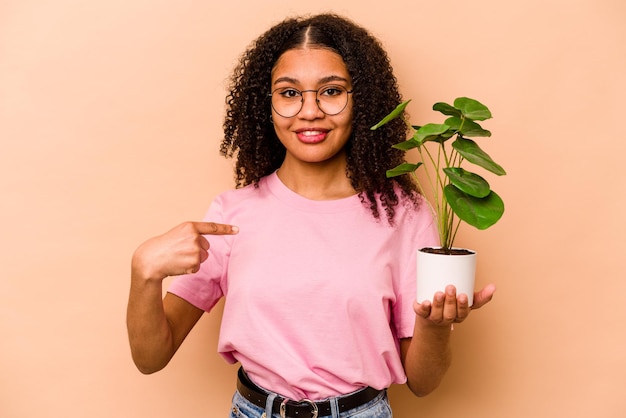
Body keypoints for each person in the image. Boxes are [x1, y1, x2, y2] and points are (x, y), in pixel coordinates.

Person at [126, 13, 496, 418]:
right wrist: (144, 272)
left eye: (331, 91)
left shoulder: (404, 214)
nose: (310, 111)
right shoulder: (231, 215)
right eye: (289, 93)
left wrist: (437, 326)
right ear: (264, 105)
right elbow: (151, 358)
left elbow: (422, 384)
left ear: (363, 100)